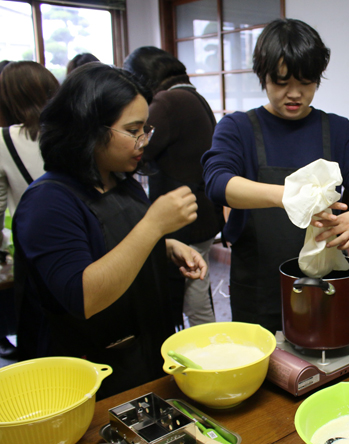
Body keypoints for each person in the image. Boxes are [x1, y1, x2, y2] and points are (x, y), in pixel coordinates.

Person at [13, 63, 207, 398]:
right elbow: (84, 295)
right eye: (133, 130)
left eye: (146, 128)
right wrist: (154, 225)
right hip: (90, 373)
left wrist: (166, 245)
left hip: (146, 350)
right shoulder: (48, 202)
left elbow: (116, 244)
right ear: (88, 129)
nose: (143, 140)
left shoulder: (120, 181)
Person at [202, 18, 349, 334]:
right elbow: (218, 181)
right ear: (263, 77)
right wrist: (286, 197)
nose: (295, 94)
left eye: (306, 82)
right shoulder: (238, 128)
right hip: (258, 289)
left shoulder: (337, 129)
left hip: (323, 286)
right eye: (281, 83)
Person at [124, 46, 222, 328]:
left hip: (184, 215)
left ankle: (209, 351)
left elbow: (141, 149)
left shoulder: (167, 101)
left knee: (193, 294)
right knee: (198, 287)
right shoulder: (192, 96)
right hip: (203, 210)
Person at [0, 61, 59, 359]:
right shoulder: (70, 132)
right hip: (83, 240)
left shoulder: (4, 140)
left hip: (33, 252)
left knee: (41, 338)